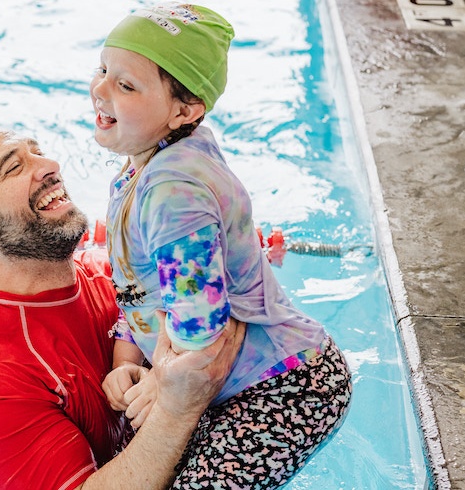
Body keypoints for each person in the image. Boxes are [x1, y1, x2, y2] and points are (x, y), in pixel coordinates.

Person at [89, 4, 353, 488]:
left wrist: (159, 385)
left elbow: (200, 323)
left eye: (125, 85)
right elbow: (141, 290)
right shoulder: (143, 164)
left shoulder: (175, 193)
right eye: (103, 70)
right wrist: (126, 362)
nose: (100, 90)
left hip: (283, 389)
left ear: (184, 111)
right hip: (233, 380)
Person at [0, 117, 246, 490]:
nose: (50, 166)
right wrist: (177, 408)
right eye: (15, 166)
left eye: (37, 151)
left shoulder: (118, 278)